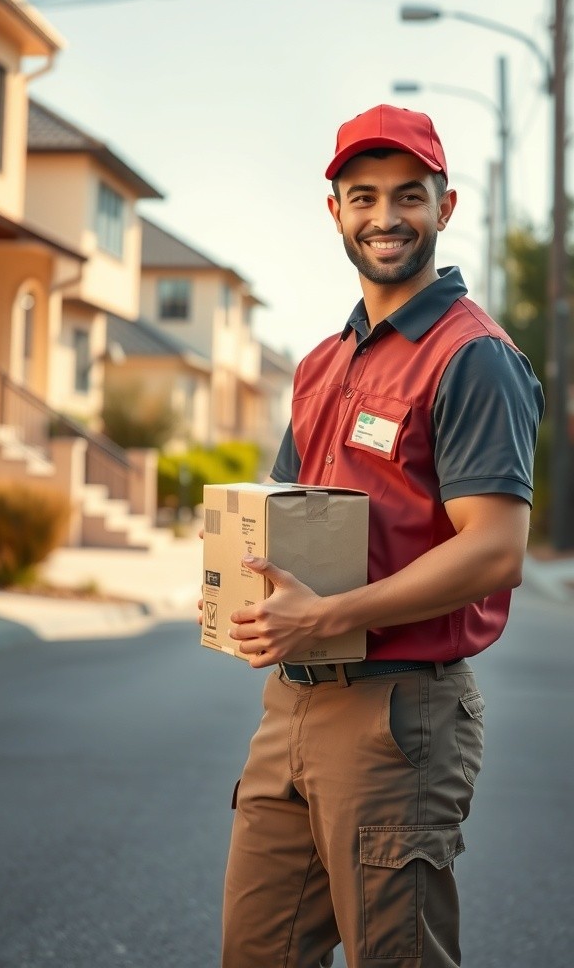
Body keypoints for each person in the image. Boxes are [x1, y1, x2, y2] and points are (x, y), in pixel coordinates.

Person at [210, 103, 544, 968]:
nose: (386, 218)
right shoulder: (323, 361)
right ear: (335, 211)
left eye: (409, 196)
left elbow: (496, 548)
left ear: (446, 205)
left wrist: (326, 614)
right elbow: (288, 509)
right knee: (257, 953)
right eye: (364, 197)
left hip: (399, 714)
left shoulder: (471, 356)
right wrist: (240, 593)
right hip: (294, 703)